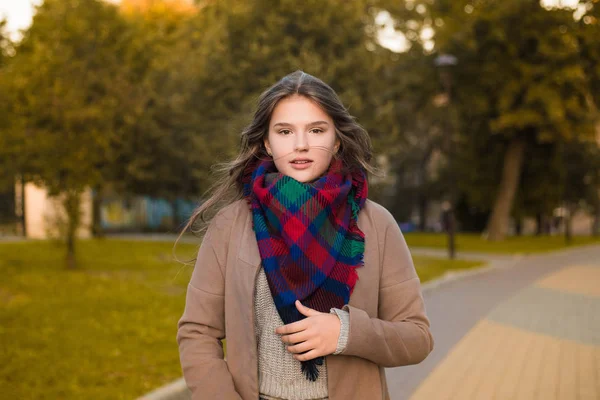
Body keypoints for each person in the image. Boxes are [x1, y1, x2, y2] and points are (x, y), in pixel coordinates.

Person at [176, 70, 434, 400]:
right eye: (285, 131)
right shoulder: (231, 225)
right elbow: (198, 332)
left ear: (336, 139)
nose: (301, 145)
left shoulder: (376, 224)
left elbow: (417, 338)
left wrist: (346, 333)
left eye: (316, 130)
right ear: (267, 142)